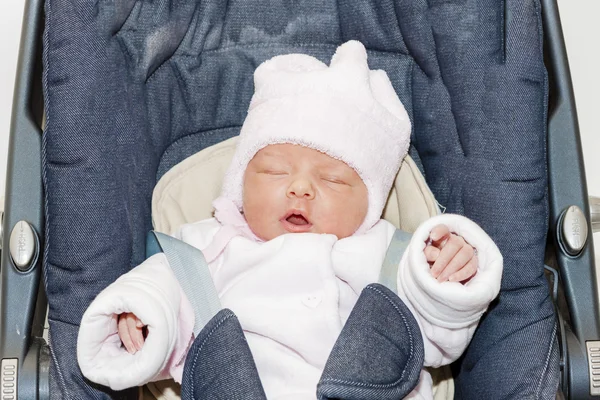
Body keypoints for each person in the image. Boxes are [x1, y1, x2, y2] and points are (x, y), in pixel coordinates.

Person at [77, 40, 503, 400]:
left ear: (369, 205)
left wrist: (448, 275)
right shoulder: (206, 248)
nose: (300, 188)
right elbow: (160, 290)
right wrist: (143, 317)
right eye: (276, 171)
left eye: (333, 180)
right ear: (240, 183)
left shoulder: (390, 254)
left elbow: (437, 335)